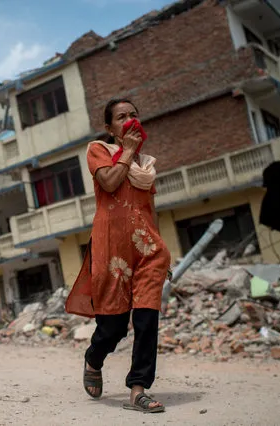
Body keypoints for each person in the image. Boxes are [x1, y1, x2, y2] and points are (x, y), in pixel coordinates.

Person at [65, 98, 172, 413]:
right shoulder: (98, 150)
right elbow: (110, 183)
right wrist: (126, 150)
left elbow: (148, 211)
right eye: (121, 117)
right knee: (112, 327)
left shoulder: (145, 165)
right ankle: (93, 358)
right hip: (112, 251)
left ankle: (138, 389)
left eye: (134, 115)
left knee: (146, 319)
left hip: (148, 250)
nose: (129, 120)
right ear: (110, 127)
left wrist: (161, 249)